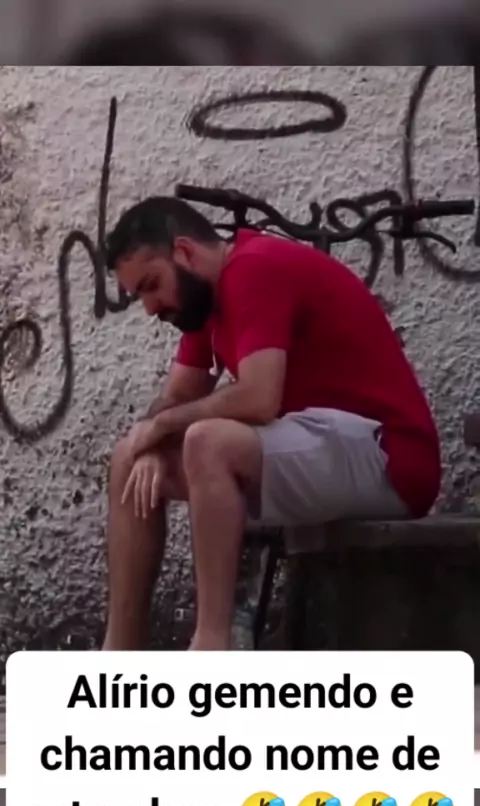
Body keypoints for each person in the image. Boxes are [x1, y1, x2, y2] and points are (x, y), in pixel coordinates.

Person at [103, 196, 441, 652]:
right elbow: (178, 397)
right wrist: (151, 443)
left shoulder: (254, 268)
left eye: (151, 286)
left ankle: (211, 647)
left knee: (207, 442)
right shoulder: (203, 304)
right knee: (129, 458)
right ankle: (118, 658)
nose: (149, 308)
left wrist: (162, 429)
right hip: (319, 447)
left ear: (184, 252)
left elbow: (259, 399)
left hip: (390, 458)